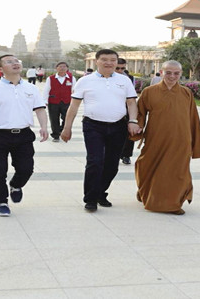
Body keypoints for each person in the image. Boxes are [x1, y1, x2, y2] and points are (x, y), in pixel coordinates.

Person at [60, 49, 140, 212]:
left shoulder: (124, 81)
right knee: (95, 161)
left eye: (112, 60)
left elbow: (131, 103)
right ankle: (90, 198)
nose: (109, 63)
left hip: (118, 126)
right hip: (93, 126)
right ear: (96, 61)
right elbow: (73, 106)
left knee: (112, 165)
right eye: (104, 59)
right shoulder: (85, 81)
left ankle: (100, 192)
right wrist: (66, 128)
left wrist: (132, 121)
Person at [0, 55, 49, 216]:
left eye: (16, 61)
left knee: (26, 168)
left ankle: (16, 185)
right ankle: (1, 201)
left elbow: (40, 109)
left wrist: (44, 127)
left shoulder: (31, 89)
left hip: (23, 135)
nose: (15, 63)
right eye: (9, 62)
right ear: (0, 69)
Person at [132, 61, 200, 214]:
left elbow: (192, 118)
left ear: (181, 73)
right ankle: (145, 190)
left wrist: (196, 140)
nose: (172, 76)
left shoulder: (186, 93)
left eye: (176, 73)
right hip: (156, 137)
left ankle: (171, 204)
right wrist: (137, 126)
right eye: (168, 72)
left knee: (177, 172)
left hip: (181, 139)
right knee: (145, 165)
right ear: (161, 72)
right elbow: (140, 113)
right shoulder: (149, 91)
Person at [43, 61, 74, 144]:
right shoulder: (51, 78)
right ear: (56, 68)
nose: (62, 68)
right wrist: (44, 101)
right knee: (54, 119)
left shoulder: (71, 78)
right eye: (60, 66)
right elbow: (46, 90)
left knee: (66, 118)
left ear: (67, 68)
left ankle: (61, 129)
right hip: (53, 101)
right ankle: (56, 135)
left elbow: (74, 90)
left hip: (67, 101)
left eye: (64, 66)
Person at [117, 58, 137, 165]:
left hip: (127, 107)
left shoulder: (130, 78)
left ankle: (126, 155)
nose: (120, 70)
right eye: (117, 68)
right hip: (113, 108)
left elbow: (132, 95)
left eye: (122, 68)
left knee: (129, 133)